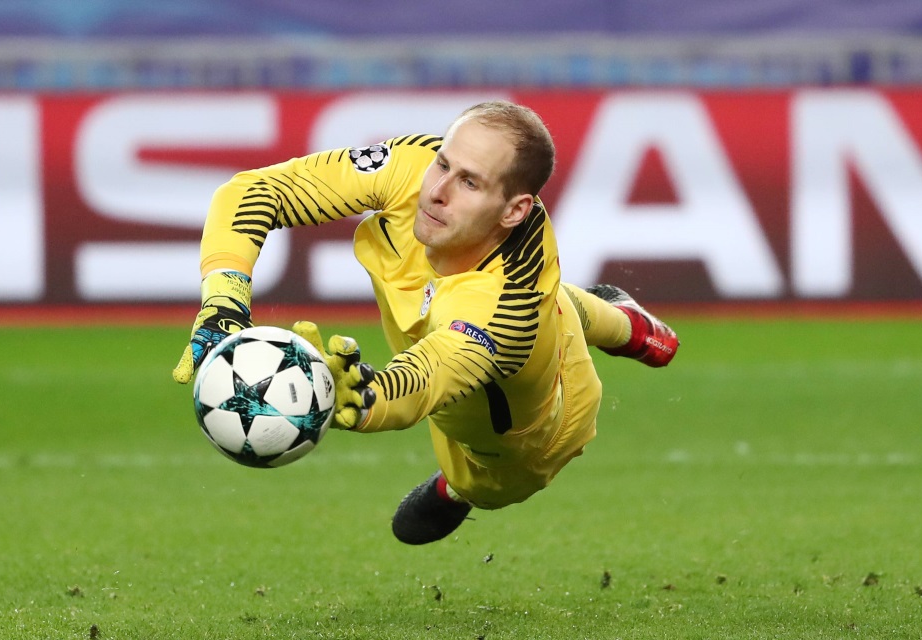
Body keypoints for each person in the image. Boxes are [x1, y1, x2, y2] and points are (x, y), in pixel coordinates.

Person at [173, 101, 679, 545]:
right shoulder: (416, 170)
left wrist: (367, 396)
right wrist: (224, 302)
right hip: (520, 312)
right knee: (559, 308)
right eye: (444, 162)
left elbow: (431, 374)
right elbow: (253, 192)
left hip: (530, 431)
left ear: (514, 210)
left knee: (492, 481)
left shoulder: (504, 308)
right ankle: (631, 326)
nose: (435, 190)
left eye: (469, 182)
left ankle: (453, 488)